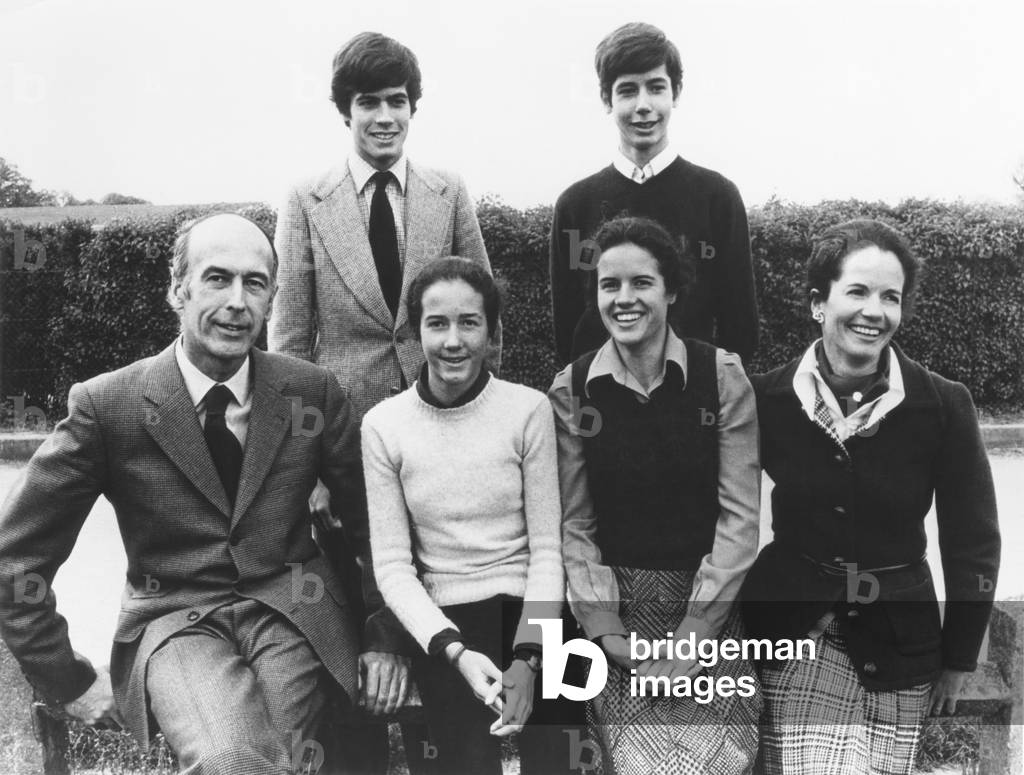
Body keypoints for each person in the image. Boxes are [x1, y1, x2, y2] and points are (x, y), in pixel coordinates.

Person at [0, 213, 396, 774]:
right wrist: (67, 678)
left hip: (295, 617)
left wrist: (384, 636)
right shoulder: (107, 406)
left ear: (272, 300)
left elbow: (376, 528)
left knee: (268, 760)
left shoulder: (311, 392)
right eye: (217, 278)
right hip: (175, 624)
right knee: (230, 759)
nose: (237, 301)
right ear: (177, 289)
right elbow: (16, 557)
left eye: (254, 283)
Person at [269, 31, 499, 770]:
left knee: (437, 596)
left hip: (440, 433)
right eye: (368, 102)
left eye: (397, 101)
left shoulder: (447, 191)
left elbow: (483, 314)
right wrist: (301, 469)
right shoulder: (306, 201)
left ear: (413, 108)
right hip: (343, 448)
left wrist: (481, 424)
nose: (384, 117)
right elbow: (289, 344)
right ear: (346, 111)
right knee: (358, 610)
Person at [741, 219, 1001, 774]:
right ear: (819, 302)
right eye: (857, 291)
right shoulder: (765, 397)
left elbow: (972, 539)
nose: (874, 311)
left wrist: (959, 658)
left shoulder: (943, 404)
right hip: (796, 633)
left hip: (902, 642)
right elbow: (723, 511)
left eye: (890, 297)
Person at [549, 216, 762, 773]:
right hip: (616, 610)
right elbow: (575, 524)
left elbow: (740, 519)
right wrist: (605, 630)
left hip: (708, 605)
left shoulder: (722, 376)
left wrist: (697, 631)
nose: (624, 299)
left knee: (714, 760)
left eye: (641, 282)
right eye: (609, 285)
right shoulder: (572, 389)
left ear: (670, 291)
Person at [361, 258, 569, 775]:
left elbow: (548, 551)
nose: (453, 341)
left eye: (469, 323)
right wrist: (454, 651)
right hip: (445, 623)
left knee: (558, 760)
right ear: (416, 331)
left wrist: (529, 658)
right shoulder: (384, 426)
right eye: (437, 324)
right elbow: (393, 568)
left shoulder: (528, 410)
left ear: (491, 331)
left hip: (530, 613)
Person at [549, 22, 758, 367]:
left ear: (676, 93)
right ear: (607, 99)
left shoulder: (718, 198)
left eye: (656, 88)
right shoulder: (574, 205)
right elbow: (568, 328)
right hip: (601, 395)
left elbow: (740, 325)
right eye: (628, 90)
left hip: (697, 392)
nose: (643, 105)